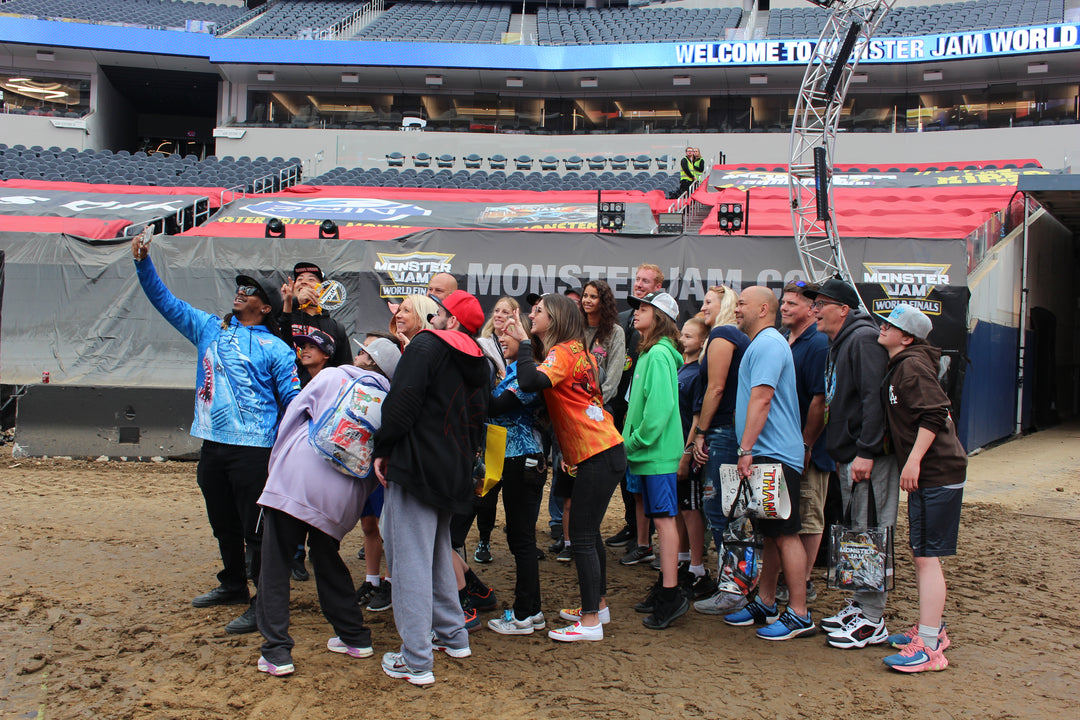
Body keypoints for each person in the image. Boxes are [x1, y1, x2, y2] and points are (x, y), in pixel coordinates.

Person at [130, 233, 299, 635]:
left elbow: (292, 400)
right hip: (213, 446)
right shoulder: (209, 328)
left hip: (255, 450)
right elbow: (165, 302)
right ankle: (233, 585)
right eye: (239, 288)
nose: (240, 293)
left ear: (266, 305)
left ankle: (263, 605)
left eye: (251, 290)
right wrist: (142, 263)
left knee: (255, 529)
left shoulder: (277, 349)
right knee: (222, 522)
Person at [373, 289, 489, 686]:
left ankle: (416, 659)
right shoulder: (480, 358)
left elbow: (401, 404)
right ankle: (453, 637)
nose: (434, 318)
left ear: (450, 320)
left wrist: (383, 447)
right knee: (438, 552)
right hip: (453, 471)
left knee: (409, 562)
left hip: (418, 466)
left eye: (439, 312)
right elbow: (478, 421)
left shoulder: (425, 346)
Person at [254, 359, 393, 676]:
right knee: (327, 560)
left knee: (275, 565)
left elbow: (292, 417)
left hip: (295, 478)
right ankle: (355, 637)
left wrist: (276, 469)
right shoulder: (395, 401)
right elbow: (379, 467)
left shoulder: (332, 376)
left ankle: (277, 653)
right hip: (341, 497)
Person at [506, 294, 626, 642]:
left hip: (597, 451)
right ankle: (597, 605)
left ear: (555, 318)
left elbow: (530, 382)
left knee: (584, 537)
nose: (532, 314)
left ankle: (590, 622)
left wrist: (525, 345)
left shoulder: (562, 352)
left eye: (538, 311)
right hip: (603, 448)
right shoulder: (578, 351)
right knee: (590, 534)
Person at [804, 278, 899, 649]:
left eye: (822, 303)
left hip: (868, 457)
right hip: (852, 453)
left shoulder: (860, 340)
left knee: (871, 530)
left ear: (844, 309)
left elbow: (876, 401)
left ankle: (873, 619)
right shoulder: (840, 342)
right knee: (858, 530)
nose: (815, 310)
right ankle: (860, 604)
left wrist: (867, 451)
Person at [722, 286, 815, 641]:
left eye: (742, 304)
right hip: (767, 453)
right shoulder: (766, 344)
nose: (737, 309)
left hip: (773, 453)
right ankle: (765, 601)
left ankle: (799, 613)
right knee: (770, 534)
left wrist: (745, 448)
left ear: (763, 309)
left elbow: (762, 398)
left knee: (786, 534)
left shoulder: (768, 344)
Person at [876, 304, 964, 673]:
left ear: (907, 337)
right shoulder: (906, 363)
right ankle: (932, 630)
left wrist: (913, 461)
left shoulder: (911, 365)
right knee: (924, 556)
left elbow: (935, 412)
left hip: (936, 471)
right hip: (935, 470)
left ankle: (929, 647)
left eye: (891, 325)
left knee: (926, 558)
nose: (882, 327)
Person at [621, 291, 688, 630]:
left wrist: (633, 442)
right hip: (649, 453)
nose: (636, 313)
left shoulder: (659, 354)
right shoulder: (652, 353)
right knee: (662, 520)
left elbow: (658, 410)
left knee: (664, 522)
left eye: (644, 308)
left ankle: (671, 594)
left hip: (655, 452)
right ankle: (666, 587)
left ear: (659, 317)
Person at [485, 312, 549, 636]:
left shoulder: (528, 374)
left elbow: (494, 408)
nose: (502, 339)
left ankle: (524, 614)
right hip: (513, 459)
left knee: (521, 539)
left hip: (521, 459)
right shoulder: (511, 371)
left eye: (509, 335)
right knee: (519, 537)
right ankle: (532, 610)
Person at [778, 281, 834, 605]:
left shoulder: (817, 345)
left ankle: (805, 580)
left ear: (812, 310)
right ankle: (791, 577)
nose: (784, 308)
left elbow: (821, 400)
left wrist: (806, 444)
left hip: (808, 451)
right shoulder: (787, 340)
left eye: (792, 303)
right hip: (787, 448)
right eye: (783, 302)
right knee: (789, 516)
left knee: (810, 516)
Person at [606, 263, 665, 552]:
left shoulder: (660, 339)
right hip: (618, 406)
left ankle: (645, 534)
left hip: (640, 410)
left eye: (646, 281)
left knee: (641, 474)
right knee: (623, 471)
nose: (639, 284)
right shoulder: (623, 318)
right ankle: (632, 525)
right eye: (637, 279)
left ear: (658, 288)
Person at [690, 286, 749, 559]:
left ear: (724, 306)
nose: (703, 308)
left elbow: (716, 388)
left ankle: (735, 583)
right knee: (725, 507)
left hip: (723, 431)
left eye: (708, 302)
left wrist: (700, 432)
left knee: (719, 507)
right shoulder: (730, 336)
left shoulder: (723, 334)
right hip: (727, 430)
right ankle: (735, 580)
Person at [351, 337, 402, 614]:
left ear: (374, 362)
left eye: (363, 352)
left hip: (383, 467)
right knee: (369, 525)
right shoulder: (354, 384)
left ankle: (392, 583)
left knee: (389, 529)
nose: (357, 355)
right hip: (361, 464)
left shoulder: (388, 392)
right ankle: (372, 580)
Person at [286, 328, 337, 582]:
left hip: (326, 459)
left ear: (326, 354)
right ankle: (297, 557)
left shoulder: (336, 381)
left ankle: (322, 553)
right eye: (302, 346)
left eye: (312, 347)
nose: (304, 350)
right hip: (297, 457)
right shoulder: (292, 378)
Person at [675, 317, 715, 600]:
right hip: (673, 447)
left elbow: (698, 417)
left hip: (687, 451)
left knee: (691, 509)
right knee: (679, 507)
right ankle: (682, 557)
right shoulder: (680, 368)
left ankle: (698, 567)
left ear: (702, 341)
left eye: (689, 336)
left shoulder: (700, 372)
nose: (683, 340)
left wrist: (688, 453)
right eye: (682, 335)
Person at [278, 262, 352, 387]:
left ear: (323, 289)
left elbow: (344, 368)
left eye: (311, 279)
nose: (304, 282)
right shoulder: (283, 315)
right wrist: (294, 302)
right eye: (299, 279)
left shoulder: (335, 327)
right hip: (285, 390)